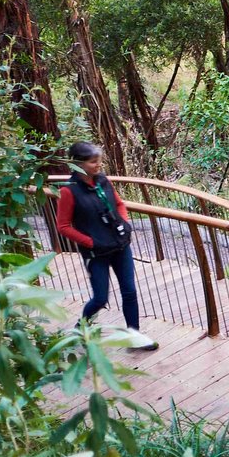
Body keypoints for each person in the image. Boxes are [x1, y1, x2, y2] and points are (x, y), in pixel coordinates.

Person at [56, 141, 157, 349]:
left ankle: (134, 336)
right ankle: (81, 329)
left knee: (129, 291)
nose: (98, 165)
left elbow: (119, 204)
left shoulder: (103, 180)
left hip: (120, 245)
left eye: (99, 161)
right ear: (79, 164)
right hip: (96, 253)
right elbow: (63, 226)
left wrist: (125, 222)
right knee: (101, 298)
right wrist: (91, 242)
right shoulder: (69, 191)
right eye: (93, 162)